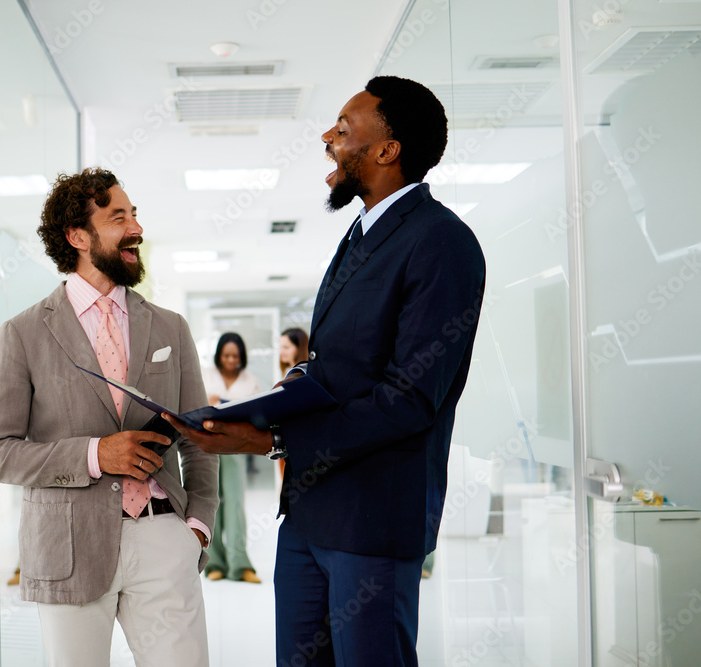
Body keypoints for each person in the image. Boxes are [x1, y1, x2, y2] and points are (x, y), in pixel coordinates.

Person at [164, 76, 486, 667]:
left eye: (343, 129)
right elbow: (343, 368)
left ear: (388, 150)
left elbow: (410, 398)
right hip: (310, 514)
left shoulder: (442, 242)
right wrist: (283, 394)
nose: (326, 138)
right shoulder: (358, 235)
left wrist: (276, 436)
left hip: (373, 523)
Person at [0, 168, 218, 667]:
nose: (136, 228)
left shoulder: (170, 326)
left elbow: (198, 434)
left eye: (135, 215)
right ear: (77, 236)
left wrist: (197, 526)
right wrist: (95, 454)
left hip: (163, 534)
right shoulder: (22, 334)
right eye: (118, 217)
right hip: (68, 547)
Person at [201, 332, 262, 584]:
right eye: (226, 355)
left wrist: (223, 402)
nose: (230, 360)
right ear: (219, 356)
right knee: (212, 503)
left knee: (235, 503)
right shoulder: (207, 375)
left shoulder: (250, 381)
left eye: (235, 356)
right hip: (207, 447)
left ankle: (240, 564)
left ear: (242, 357)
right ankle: (214, 563)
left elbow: (256, 413)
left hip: (236, 449)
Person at [276, 328, 310, 482]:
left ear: (299, 348)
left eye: (287, 347)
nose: (282, 351)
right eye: (281, 347)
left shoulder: (304, 375)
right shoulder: (286, 372)